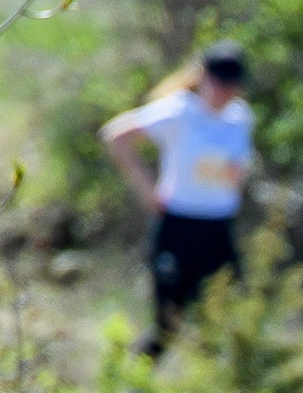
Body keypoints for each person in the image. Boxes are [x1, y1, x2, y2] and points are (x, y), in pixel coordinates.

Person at [102, 42, 254, 354]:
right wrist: (148, 190)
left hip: (218, 228)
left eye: (231, 86)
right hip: (178, 225)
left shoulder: (240, 117)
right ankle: (134, 380)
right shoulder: (179, 110)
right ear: (203, 77)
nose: (224, 93)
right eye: (219, 84)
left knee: (222, 323)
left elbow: (239, 169)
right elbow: (117, 137)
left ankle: (209, 383)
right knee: (168, 325)